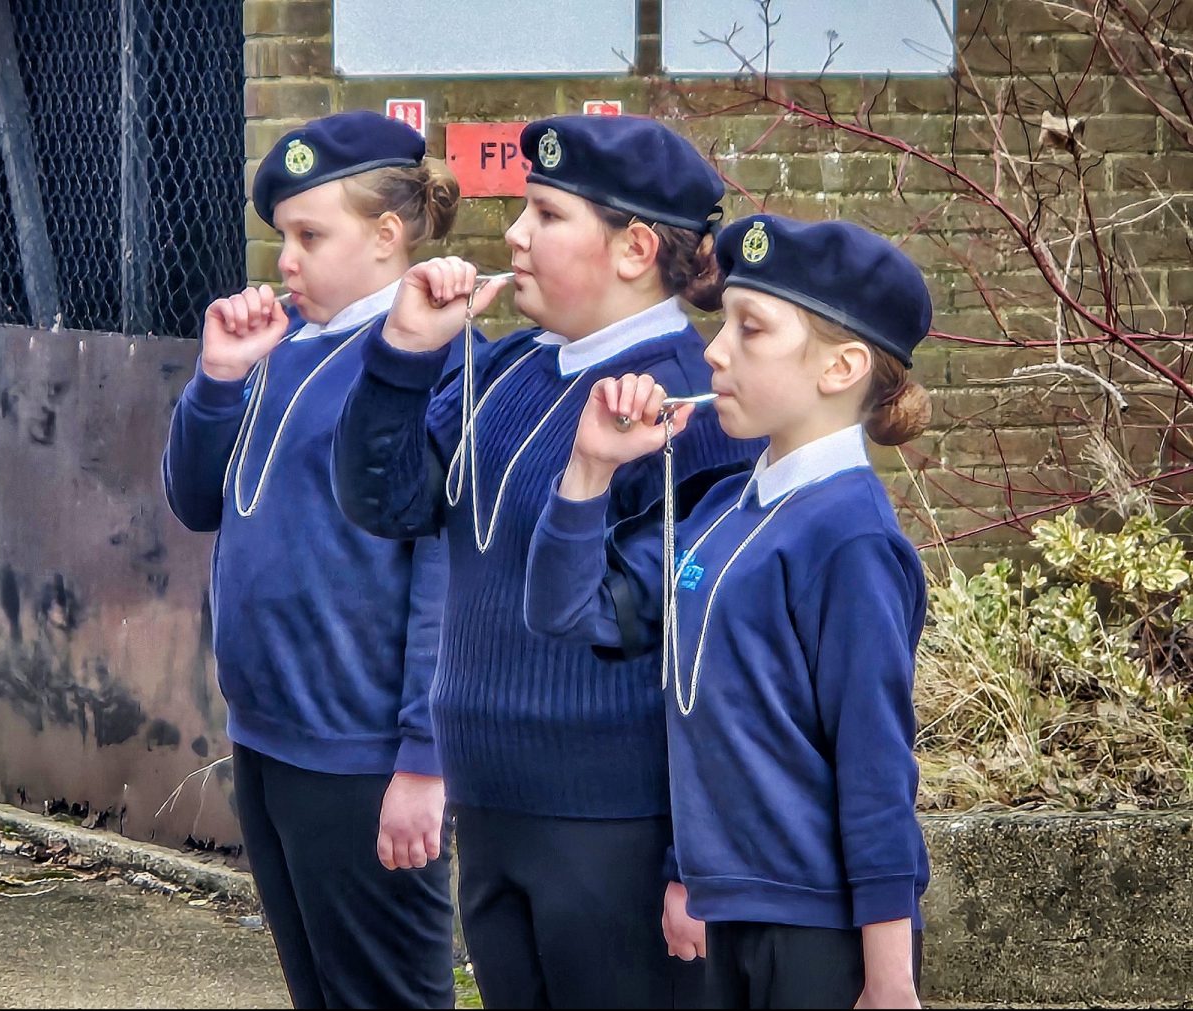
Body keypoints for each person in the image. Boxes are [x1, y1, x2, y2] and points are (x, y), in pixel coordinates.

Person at [331, 115, 763, 1008]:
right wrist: (404, 356)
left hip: (615, 823)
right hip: (492, 803)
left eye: (548, 214)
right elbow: (388, 503)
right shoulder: (512, 367)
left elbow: (714, 658)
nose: (516, 235)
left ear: (635, 248)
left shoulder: (692, 407)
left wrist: (694, 859)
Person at [525, 214, 933, 1009]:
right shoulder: (722, 509)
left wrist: (889, 979)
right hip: (731, 913)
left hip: (819, 929)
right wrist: (590, 467)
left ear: (841, 366)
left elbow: (876, 761)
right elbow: (566, 611)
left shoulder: (851, 538)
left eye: (751, 329)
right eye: (723, 325)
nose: (714, 351)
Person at [163, 109, 459, 1009]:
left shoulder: (433, 358)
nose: (285, 260)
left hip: (361, 749)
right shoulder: (283, 343)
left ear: (387, 234)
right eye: (282, 236)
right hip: (268, 732)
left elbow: (445, 570)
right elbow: (196, 499)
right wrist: (219, 379)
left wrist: (424, 757)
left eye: (310, 236)